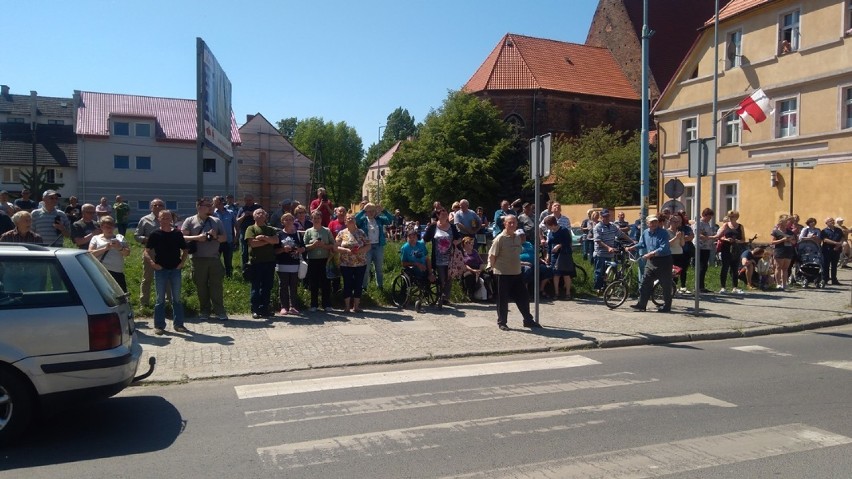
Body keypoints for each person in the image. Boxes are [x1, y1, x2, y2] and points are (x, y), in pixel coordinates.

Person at [488, 215, 539, 331]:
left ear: (517, 224)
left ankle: (528, 320)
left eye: (514, 223)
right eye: (509, 223)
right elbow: (492, 255)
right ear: (505, 224)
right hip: (502, 273)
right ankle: (502, 322)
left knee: (523, 297)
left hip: (516, 272)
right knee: (503, 299)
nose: (512, 225)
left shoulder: (517, 237)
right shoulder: (500, 238)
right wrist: (492, 269)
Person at [144, 209, 189, 335]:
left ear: (172, 219)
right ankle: (159, 325)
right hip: (161, 270)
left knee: (177, 298)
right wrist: (152, 264)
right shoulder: (155, 234)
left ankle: (179, 324)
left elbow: (185, 249)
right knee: (160, 299)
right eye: (163, 218)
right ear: (159, 219)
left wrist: (182, 262)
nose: (165, 220)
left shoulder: (177, 234)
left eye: (168, 218)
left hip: (175, 269)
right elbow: (146, 251)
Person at [182, 198, 228, 321]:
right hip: (198, 259)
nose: (210, 207)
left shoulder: (216, 221)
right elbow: (182, 237)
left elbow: (224, 238)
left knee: (216, 286)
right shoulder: (190, 221)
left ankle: (220, 311)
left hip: (214, 258)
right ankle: (204, 311)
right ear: (199, 206)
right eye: (207, 205)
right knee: (201, 286)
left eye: (211, 205)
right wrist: (198, 237)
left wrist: (215, 236)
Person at [628, 215, 673, 313]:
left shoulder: (663, 233)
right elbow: (642, 244)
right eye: (651, 222)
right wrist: (632, 247)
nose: (653, 224)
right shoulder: (645, 233)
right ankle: (641, 304)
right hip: (651, 261)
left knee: (665, 284)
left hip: (664, 260)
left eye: (655, 222)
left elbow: (664, 247)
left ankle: (666, 306)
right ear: (647, 223)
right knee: (645, 282)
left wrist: (651, 253)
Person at [424, 207, 461, 305]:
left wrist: (457, 241)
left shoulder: (452, 227)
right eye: (442, 214)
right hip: (438, 258)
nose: (444, 216)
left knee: (449, 278)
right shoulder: (433, 227)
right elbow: (425, 239)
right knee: (442, 278)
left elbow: (459, 238)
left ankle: (445, 298)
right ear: (438, 216)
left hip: (450, 257)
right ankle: (440, 296)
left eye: (446, 214)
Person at [245, 209, 278, 318]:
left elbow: (276, 241)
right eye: (258, 213)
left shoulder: (270, 229)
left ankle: (265, 308)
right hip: (256, 262)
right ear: (254, 217)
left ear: (266, 216)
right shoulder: (251, 228)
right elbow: (252, 244)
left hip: (269, 262)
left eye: (263, 213)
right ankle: (255, 309)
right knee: (255, 286)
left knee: (267, 286)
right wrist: (268, 242)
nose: (261, 214)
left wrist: (263, 238)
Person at [135, 198, 167, 306]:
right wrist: (148, 239)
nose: (158, 207)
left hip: (166, 252)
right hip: (150, 251)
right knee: (147, 278)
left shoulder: (168, 219)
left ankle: (167, 302)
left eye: (160, 205)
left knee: (166, 277)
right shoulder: (144, 220)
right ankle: (144, 303)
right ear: (151, 207)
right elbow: (136, 236)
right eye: (155, 205)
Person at [591, 209, 632, 294]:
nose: (606, 218)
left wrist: (632, 241)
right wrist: (608, 248)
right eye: (604, 216)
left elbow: (621, 234)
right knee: (599, 272)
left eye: (607, 216)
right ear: (601, 217)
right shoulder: (598, 227)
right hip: (600, 253)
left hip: (610, 254)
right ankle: (598, 289)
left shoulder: (613, 226)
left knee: (607, 272)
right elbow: (598, 241)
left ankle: (606, 288)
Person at [336, 213, 370, 313]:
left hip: (360, 263)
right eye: (348, 218)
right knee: (347, 284)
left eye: (352, 218)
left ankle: (356, 306)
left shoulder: (361, 232)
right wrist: (346, 250)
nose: (350, 219)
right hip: (346, 264)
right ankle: (347, 306)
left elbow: (368, 246)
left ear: (355, 221)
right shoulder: (342, 233)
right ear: (345, 221)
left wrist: (359, 251)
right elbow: (335, 247)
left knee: (358, 284)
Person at [356, 202, 394, 290]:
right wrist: (363, 210)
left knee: (379, 268)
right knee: (366, 269)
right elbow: (356, 219)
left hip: (378, 246)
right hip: (367, 247)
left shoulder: (379, 219)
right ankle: (364, 287)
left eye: (373, 211)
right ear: (366, 211)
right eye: (369, 211)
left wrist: (383, 210)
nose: (371, 212)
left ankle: (380, 286)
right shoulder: (363, 220)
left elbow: (391, 219)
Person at [88, 216, 130, 292]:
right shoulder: (96, 238)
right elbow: (90, 254)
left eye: (111, 227)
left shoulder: (120, 238)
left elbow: (127, 253)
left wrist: (119, 248)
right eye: (107, 227)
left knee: (121, 294)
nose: (110, 229)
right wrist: (105, 248)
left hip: (117, 271)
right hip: (101, 270)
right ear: (101, 227)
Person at [304, 211, 335, 311]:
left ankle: (327, 304)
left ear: (321, 219)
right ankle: (314, 304)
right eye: (314, 218)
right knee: (313, 283)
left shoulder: (327, 231)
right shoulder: (308, 231)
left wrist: (324, 246)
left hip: (325, 260)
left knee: (326, 283)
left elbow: (333, 245)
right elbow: (304, 246)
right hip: (312, 260)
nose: (316, 220)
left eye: (318, 218)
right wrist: (313, 245)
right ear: (311, 219)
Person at [274, 213, 305, 315]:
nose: (288, 221)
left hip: (294, 264)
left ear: (293, 221)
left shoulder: (297, 234)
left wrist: (300, 250)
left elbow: (304, 247)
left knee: (293, 286)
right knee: (283, 286)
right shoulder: (279, 235)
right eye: (286, 219)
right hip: (282, 264)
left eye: (290, 219)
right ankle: (283, 307)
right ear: (282, 222)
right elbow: (274, 251)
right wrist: (283, 249)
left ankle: (293, 306)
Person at [544, 214, 576, 300]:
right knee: (556, 274)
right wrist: (548, 255)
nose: (547, 227)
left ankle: (568, 293)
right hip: (554, 255)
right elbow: (550, 245)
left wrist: (559, 245)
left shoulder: (563, 230)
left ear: (552, 224)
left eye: (547, 225)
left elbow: (568, 241)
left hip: (564, 255)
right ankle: (556, 293)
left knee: (566, 274)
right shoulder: (551, 232)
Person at [713, 210, 746, 294]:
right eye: (729, 216)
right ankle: (723, 287)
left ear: (737, 217)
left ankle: (735, 287)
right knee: (725, 268)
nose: (730, 218)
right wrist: (726, 239)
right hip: (726, 248)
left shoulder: (740, 226)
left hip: (736, 249)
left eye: (732, 216)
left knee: (735, 269)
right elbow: (719, 236)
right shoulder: (725, 225)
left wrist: (737, 241)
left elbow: (743, 239)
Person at [212, 195, 238, 278]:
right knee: (215, 260)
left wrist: (236, 237)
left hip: (228, 240)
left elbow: (236, 226)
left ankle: (229, 276)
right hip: (216, 241)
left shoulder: (230, 213)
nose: (215, 204)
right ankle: (217, 275)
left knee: (228, 260)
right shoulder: (213, 213)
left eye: (216, 202)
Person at [460, 236, 492, 301]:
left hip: (478, 269)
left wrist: (479, 270)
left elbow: (481, 262)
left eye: (472, 243)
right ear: (465, 244)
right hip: (468, 270)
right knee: (469, 276)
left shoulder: (474, 252)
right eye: (469, 243)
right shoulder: (462, 253)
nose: (472, 244)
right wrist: (473, 270)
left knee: (487, 277)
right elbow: (464, 264)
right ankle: (470, 295)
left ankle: (489, 294)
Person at [770, 214, 796, 291]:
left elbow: (794, 242)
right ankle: (778, 283)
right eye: (787, 222)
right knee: (778, 267)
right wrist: (782, 240)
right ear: (782, 222)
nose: (788, 223)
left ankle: (784, 284)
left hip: (788, 251)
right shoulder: (776, 231)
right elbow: (772, 242)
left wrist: (790, 240)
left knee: (785, 268)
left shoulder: (790, 232)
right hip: (779, 251)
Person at [236, 194, 262, 269]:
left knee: (256, 249)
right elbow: (237, 221)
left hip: (256, 231)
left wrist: (251, 214)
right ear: (244, 201)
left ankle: (256, 267)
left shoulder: (258, 208)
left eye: (250, 200)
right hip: (244, 231)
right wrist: (244, 216)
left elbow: (263, 217)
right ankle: (245, 268)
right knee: (244, 250)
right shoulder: (242, 209)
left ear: (253, 200)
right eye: (247, 200)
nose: (248, 202)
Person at [696, 208, 716, 293]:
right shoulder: (699, 223)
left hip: (707, 247)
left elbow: (709, 234)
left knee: (704, 267)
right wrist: (712, 237)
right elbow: (699, 235)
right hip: (700, 247)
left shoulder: (707, 224)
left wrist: (715, 235)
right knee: (701, 266)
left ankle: (701, 286)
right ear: (705, 215)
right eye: (709, 216)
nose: (710, 218)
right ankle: (698, 286)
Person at [675, 211, 695, 293]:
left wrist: (681, 238)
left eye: (679, 218)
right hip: (675, 252)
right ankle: (674, 286)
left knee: (684, 269)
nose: (678, 220)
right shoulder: (672, 228)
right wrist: (682, 238)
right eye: (676, 219)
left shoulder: (686, 228)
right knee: (675, 270)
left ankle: (683, 286)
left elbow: (691, 237)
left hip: (685, 251)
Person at [821, 217, 844, 286]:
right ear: (827, 223)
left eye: (833, 221)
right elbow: (825, 240)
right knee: (826, 265)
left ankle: (834, 279)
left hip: (836, 250)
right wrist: (835, 243)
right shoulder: (824, 231)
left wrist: (839, 244)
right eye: (830, 221)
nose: (832, 222)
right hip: (827, 249)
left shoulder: (838, 230)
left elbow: (842, 238)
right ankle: (825, 279)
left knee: (834, 265)